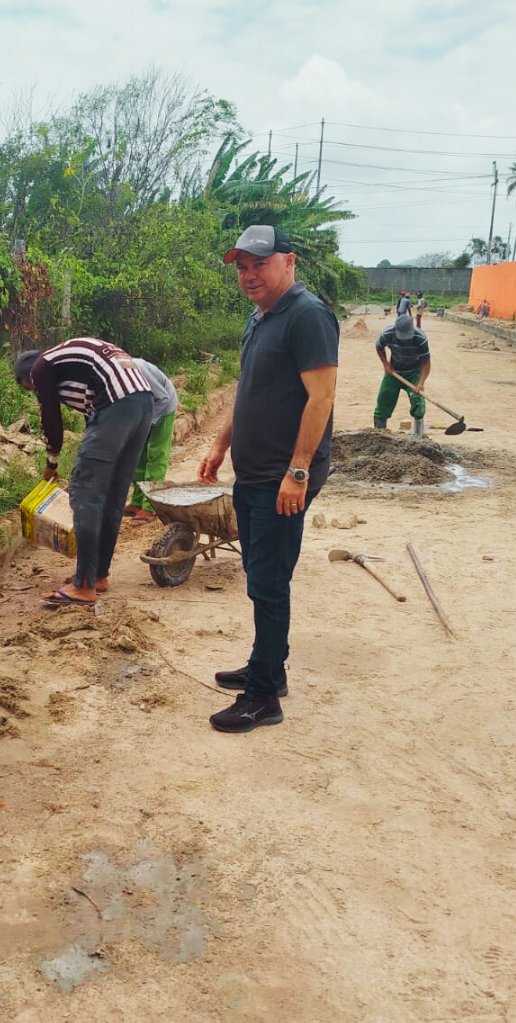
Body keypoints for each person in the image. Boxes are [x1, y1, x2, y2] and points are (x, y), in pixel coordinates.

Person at [198, 225, 339, 734]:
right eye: (242, 266)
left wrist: (298, 471)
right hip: (254, 471)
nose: (250, 275)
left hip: (284, 475)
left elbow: (321, 397)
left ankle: (263, 699)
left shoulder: (307, 316)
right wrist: (220, 442)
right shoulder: (259, 319)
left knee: (269, 582)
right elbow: (249, 388)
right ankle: (268, 668)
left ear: (289, 262)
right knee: (261, 579)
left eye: (260, 263)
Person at [15, 338, 153, 607]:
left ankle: (84, 585)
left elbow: (50, 418)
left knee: (84, 493)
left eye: (29, 388)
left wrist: (51, 463)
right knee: (113, 495)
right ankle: (98, 575)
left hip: (116, 404)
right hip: (143, 404)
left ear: (27, 375)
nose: (34, 390)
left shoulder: (40, 368)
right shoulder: (68, 363)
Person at [124, 357, 179, 525]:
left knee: (156, 455)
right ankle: (137, 501)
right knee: (138, 456)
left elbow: (162, 397)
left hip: (163, 408)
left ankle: (151, 506)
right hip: (143, 411)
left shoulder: (137, 369)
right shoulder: (114, 377)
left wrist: (147, 422)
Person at [374, 312, 431, 436]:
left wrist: (420, 383)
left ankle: (418, 435)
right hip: (394, 371)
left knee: (418, 401)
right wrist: (386, 365)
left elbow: (426, 363)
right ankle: (379, 434)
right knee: (384, 397)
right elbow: (379, 347)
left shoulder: (420, 338)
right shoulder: (387, 334)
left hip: (413, 373)